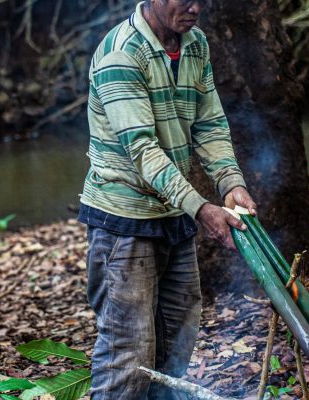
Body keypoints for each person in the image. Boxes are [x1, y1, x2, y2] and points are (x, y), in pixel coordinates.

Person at [78, 1, 257, 398]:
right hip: (123, 220)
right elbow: (142, 150)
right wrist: (202, 209)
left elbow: (209, 123)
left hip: (172, 213)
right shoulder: (121, 54)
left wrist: (230, 182)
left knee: (175, 346)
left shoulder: (194, 44)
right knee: (129, 357)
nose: (196, 8)